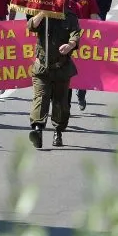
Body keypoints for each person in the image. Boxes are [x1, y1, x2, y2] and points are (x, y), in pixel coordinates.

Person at [27, 9, 81, 149]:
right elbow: (31, 26)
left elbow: (75, 35)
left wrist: (70, 45)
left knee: (60, 102)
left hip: (61, 67)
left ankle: (58, 131)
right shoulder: (41, 13)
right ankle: (38, 130)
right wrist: (42, 14)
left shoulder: (70, 16)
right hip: (42, 67)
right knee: (41, 97)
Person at [64, 0, 99, 111]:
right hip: (65, 40)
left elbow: (93, 17)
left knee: (82, 70)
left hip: (84, 39)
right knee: (66, 73)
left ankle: (82, 93)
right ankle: (65, 105)